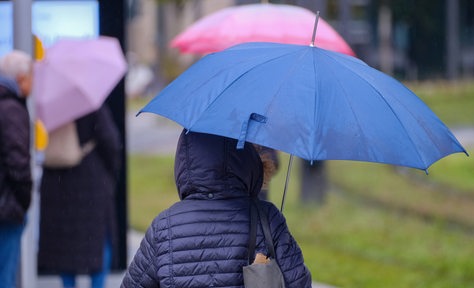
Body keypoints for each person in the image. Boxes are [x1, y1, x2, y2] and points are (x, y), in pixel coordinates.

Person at [122, 130, 312, 287]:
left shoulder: (164, 226)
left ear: (184, 162)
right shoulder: (267, 218)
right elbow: (299, 283)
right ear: (246, 159)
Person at [37, 104, 122, 288]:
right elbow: (111, 141)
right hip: (91, 181)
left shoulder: (49, 106)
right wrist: (111, 171)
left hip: (56, 182)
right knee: (99, 241)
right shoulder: (91, 104)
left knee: (64, 246)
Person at [0, 50, 34, 288]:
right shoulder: (11, 110)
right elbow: (18, 163)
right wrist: (24, 200)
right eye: (32, 76)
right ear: (21, 78)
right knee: (6, 277)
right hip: (6, 208)